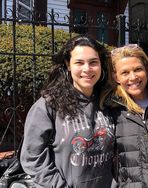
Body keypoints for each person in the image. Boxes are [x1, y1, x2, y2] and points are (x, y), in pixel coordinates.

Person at [20, 35, 116, 187]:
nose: (87, 69)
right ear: (68, 64)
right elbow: (32, 158)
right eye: (79, 62)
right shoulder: (49, 105)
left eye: (93, 62)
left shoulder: (109, 102)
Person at [101, 44, 148, 187]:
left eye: (138, 69)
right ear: (115, 76)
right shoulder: (112, 109)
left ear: (147, 70)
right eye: (125, 73)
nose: (133, 77)